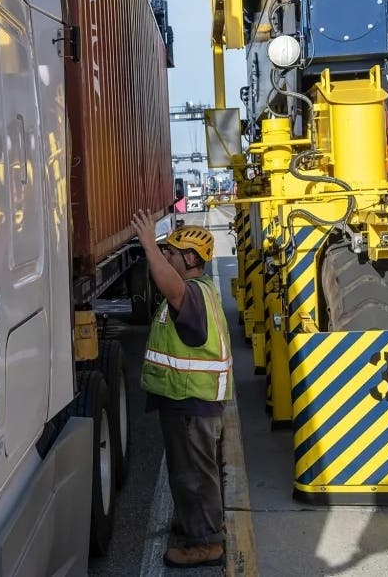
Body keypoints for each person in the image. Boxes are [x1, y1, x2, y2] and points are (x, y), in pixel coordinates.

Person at [130, 211, 233, 569]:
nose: (167, 257)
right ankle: (199, 521)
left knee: (192, 473)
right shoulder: (199, 293)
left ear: (190, 259)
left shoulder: (188, 293)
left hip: (192, 402)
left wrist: (146, 244)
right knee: (195, 470)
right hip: (192, 400)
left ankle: (206, 542)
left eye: (172, 253)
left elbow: (169, 287)